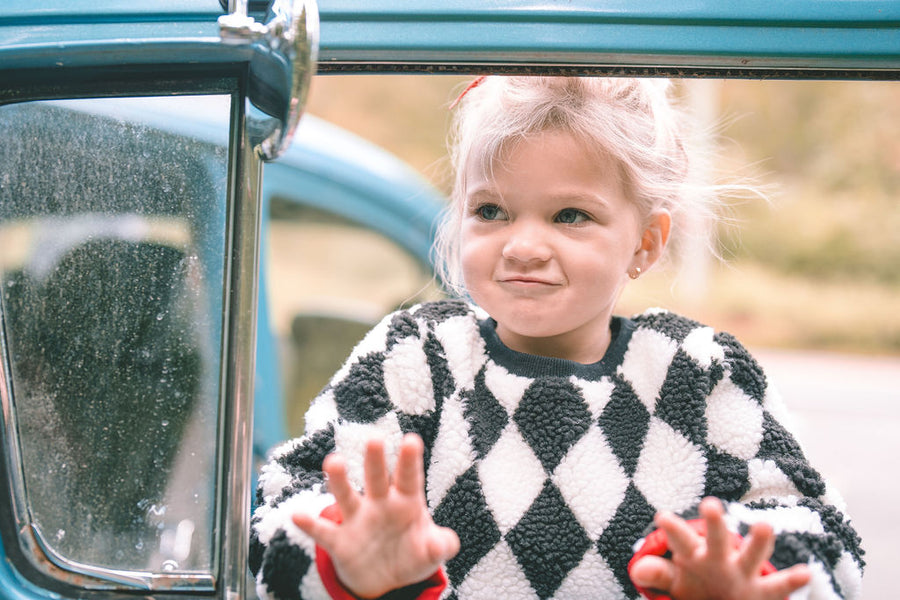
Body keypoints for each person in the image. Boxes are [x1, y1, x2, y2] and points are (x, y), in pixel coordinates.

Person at [249, 76, 864, 600]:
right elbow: (279, 508)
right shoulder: (416, 355)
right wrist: (347, 561)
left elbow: (823, 531)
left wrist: (738, 565)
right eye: (491, 211)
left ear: (646, 242)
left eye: (571, 215)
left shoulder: (697, 371)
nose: (522, 245)